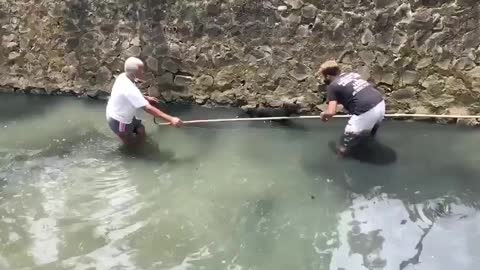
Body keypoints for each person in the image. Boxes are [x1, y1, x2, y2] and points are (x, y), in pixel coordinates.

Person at [106, 57, 183, 146]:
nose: (144, 73)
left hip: (120, 112)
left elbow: (130, 94)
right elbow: (148, 108)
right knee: (129, 143)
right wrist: (171, 119)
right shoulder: (129, 88)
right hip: (118, 120)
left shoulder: (124, 76)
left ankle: (142, 146)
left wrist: (145, 98)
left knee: (141, 130)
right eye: (141, 71)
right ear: (134, 74)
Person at [317, 60, 385, 157]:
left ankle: (341, 163)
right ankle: (369, 150)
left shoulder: (332, 86)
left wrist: (323, 115)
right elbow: (356, 92)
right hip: (380, 103)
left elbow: (331, 112)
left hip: (365, 111)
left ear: (327, 76)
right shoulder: (352, 75)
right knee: (369, 135)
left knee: (344, 145)